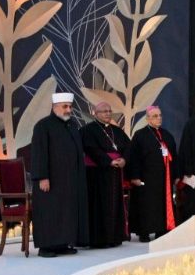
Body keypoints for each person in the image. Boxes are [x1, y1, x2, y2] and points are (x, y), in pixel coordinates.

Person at [30, 92, 88, 257]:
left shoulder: (71, 125)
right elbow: (39, 153)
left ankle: (63, 243)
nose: (68, 110)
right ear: (54, 107)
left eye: (70, 106)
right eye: (65, 107)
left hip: (70, 180)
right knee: (50, 212)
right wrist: (42, 177)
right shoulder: (43, 126)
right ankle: (46, 247)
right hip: (50, 180)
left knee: (66, 212)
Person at [80, 101, 130, 248]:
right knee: (98, 206)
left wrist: (124, 160)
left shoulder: (117, 130)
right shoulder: (87, 130)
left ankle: (115, 237)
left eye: (109, 111)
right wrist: (109, 161)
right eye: (104, 111)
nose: (108, 114)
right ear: (95, 113)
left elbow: (129, 147)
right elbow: (91, 149)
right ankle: (99, 239)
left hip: (115, 174)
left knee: (114, 204)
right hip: (96, 174)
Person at [126, 106, 179, 242]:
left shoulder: (167, 135)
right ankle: (144, 232)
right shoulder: (140, 135)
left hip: (163, 179)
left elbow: (175, 156)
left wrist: (176, 175)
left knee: (161, 205)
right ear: (148, 118)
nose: (159, 118)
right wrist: (135, 176)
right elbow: (134, 157)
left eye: (160, 115)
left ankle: (161, 230)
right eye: (155, 116)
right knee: (146, 205)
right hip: (146, 178)